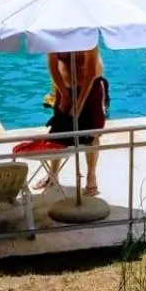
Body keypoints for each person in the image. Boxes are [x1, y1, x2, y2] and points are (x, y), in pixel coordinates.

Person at [44, 49, 109, 195]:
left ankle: (91, 177)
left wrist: (79, 103)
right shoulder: (54, 37)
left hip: (91, 87)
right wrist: (65, 95)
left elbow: (91, 72)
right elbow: (53, 68)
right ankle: (53, 174)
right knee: (58, 131)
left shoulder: (86, 35)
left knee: (92, 134)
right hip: (65, 87)